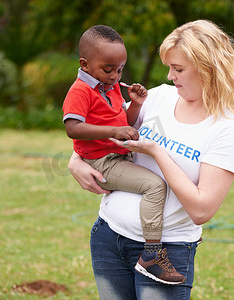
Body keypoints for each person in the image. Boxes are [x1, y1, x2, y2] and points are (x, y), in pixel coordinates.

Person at [68, 19, 234, 299]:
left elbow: (202, 210)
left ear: (207, 69)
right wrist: (75, 161)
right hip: (109, 236)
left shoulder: (225, 128)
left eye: (178, 69)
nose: (169, 77)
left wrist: (156, 152)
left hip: (168, 251)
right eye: (169, 68)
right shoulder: (159, 98)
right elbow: (104, 129)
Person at [62, 25, 185, 284]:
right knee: (154, 186)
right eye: (107, 69)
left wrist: (136, 105)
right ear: (84, 64)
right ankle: (152, 255)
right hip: (103, 161)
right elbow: (73, 128)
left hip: (117, 156)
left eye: (119, 70)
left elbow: (123, 128)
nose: (114, 76)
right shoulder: (80, 91)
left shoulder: (109, 89)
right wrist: (113, 130)